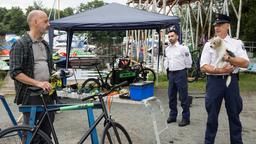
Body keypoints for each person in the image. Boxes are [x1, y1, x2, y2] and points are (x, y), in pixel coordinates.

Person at [200, 14, 249, 144]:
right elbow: (203, 67)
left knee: (234, 114)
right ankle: (208, 141)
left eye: (220, 24)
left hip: (231, 81)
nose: (217, 27)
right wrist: (220, 70)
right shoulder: (209, 44)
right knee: (212, 116)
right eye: (216, 25)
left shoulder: (236, 43)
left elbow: (245, 63)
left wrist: (229, 59)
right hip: (214, 83)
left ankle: (237, 142)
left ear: (228, 25)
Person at [9, 10, 54, 143]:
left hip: (47, 94)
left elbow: (47, 67)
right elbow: (15, 72)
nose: (49, 24)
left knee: (46, 135)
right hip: (31, 96)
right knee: (31, 135)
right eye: (45, 21)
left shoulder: (44, 44)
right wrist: (38, 83)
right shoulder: (20, 44)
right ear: (35, 22)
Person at [164, 30, 192, 127]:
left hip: (181, 73)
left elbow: (188, 61)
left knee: (183, 96)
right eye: (169, 36)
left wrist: (185, 70)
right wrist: (166, 69)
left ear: (177, 37)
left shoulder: (183, 48)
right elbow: (167, 60)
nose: (170, 38)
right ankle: (173, 116)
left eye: (172, 36)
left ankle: (186, 118)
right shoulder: (167, 49)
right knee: (171, 96)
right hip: (171, 73)